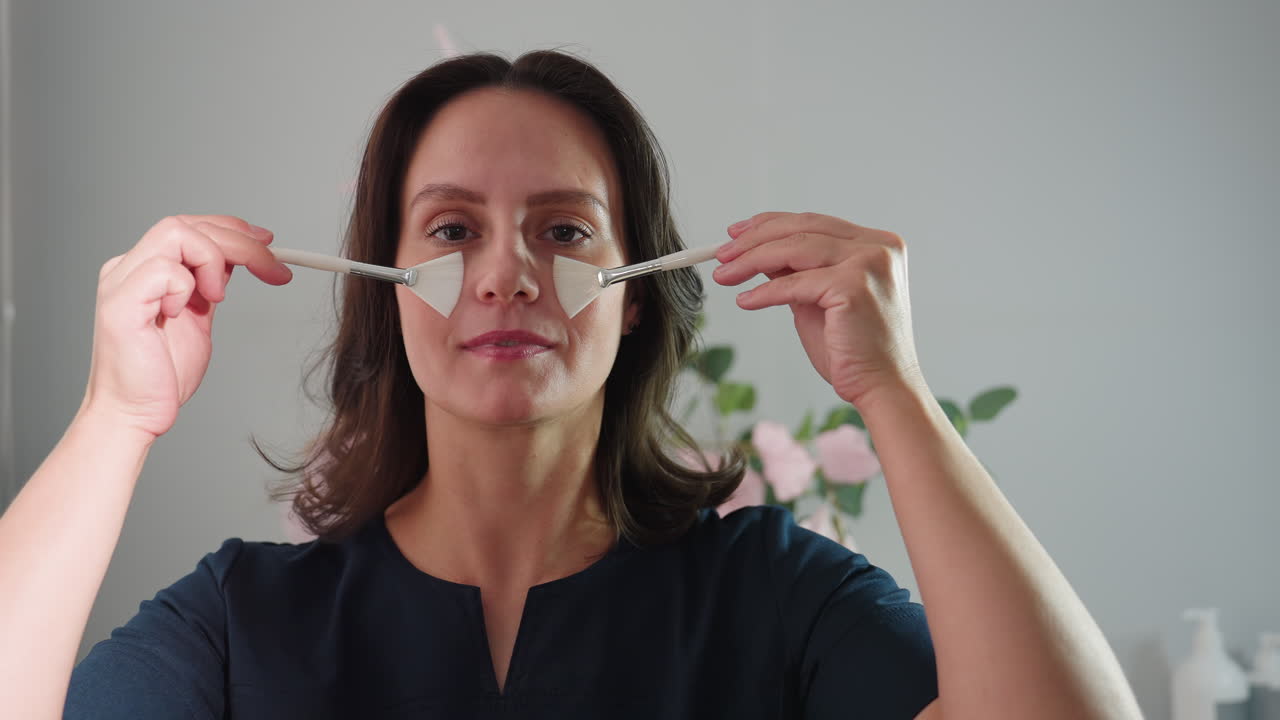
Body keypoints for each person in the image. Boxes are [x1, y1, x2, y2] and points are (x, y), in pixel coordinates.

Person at [0, 50, 1142, 719]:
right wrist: (118, 415)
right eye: (451, 229)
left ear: (635, 293)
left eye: (563, 231)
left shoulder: (776, 597)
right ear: (389, 290)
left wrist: (890, 388)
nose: (505, 275)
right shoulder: (240, 624)